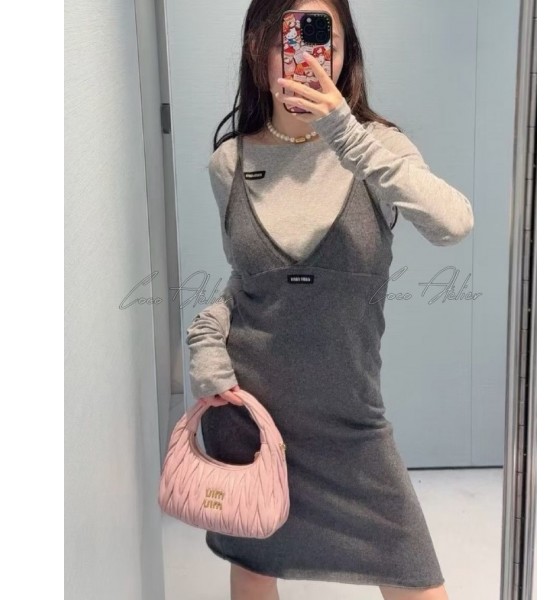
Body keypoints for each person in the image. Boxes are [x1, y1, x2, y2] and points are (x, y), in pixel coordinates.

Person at [186, 1, 474, 599]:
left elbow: (453, 224)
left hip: (352, 422)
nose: (307, 57)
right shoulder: (229, 162)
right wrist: (207, 336)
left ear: (345, 54)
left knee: (416, 579)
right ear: (258, 50)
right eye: (285, 40)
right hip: (250, 415)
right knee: (254, 566)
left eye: (324, 40)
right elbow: (248, 283)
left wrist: (346, 134)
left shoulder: (379, 148)